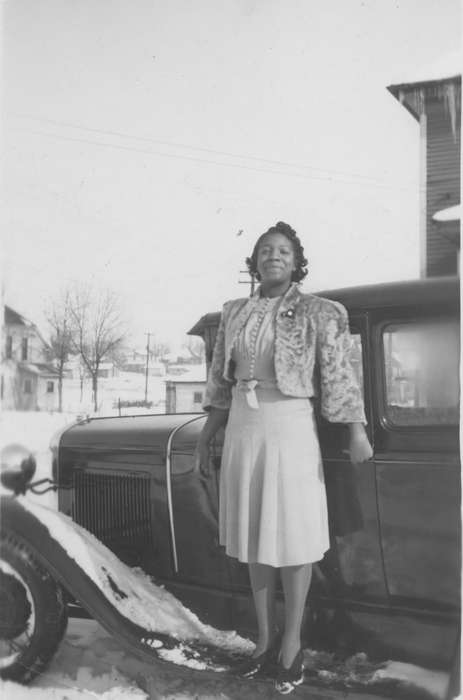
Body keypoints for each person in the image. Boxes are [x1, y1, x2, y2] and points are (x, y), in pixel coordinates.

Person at [194, 221, 372, 695]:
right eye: (265, 250)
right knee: (255, 536)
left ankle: (292, 643)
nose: (274, 256)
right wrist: (205, 437)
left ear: (296, 263)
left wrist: (356, 432)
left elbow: (339, 376)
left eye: (283, 251)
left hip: (290, 428)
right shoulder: (233, 312)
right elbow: (219, 385)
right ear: (253, 261)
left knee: (291, 535)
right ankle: (264, 640)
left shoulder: (320, 311)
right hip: (243, 431)